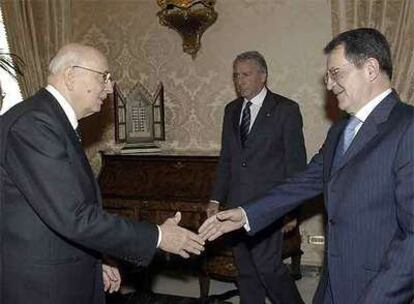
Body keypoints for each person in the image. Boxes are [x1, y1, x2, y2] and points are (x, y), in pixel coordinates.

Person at [200, 28, 414, 304]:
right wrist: (245, 214)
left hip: (378, 289)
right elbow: (306, 180)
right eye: (328, 75)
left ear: (370, 69)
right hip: (332, 284)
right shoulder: (340, 130)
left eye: (336, 73)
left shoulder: (407, 127)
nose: (329, 84)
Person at [0, 43, 204, 304]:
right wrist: (159, 236)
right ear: (71, 75)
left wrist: (95, 260)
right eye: (103, 77)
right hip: (43, 288)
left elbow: (60, 212)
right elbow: (74, 216)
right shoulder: (34, 124)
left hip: (63, 275)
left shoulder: (49, 119)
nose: (109, 87)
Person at [206, 51, 306, 304]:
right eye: (236, 75)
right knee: (247, 271)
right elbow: (227, 158)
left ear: (263, 76)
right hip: (235, 207)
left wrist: (291, 211)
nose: (240, 81)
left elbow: (296, 166)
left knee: (269, 268)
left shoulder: (286, 110)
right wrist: (216, 199)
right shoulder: (231, 110)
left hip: (269, 207)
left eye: (246, 74)